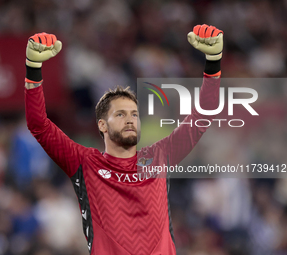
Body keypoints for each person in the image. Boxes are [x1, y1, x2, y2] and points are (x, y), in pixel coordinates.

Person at [24, 24, 223, 255]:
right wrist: (33, 68)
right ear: (102, 125)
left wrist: (213, 62)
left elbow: (203, 115)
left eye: (134, 114)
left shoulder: (158, 157)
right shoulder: (84, 163)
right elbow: (38, 124)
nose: (130, 120)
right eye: (120, 114)